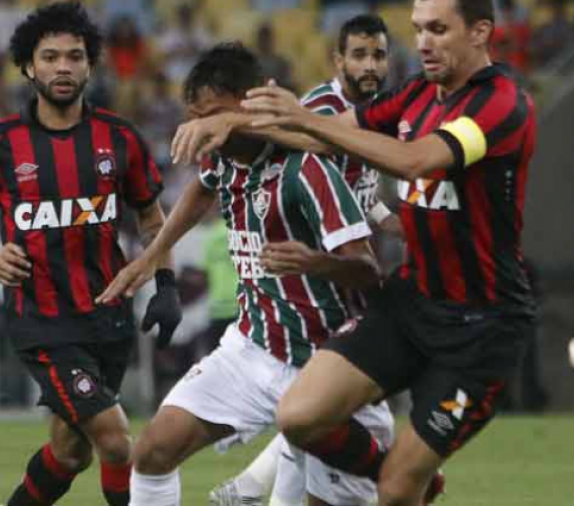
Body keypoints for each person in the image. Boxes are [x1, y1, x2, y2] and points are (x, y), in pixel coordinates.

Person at [170, 0, 537, 506]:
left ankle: (403, 481)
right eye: (418, 29)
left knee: (393, 490)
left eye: (438, 29)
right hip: (412, 301)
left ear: (480, 31)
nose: (423, 43)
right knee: (299, 416)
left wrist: (305, 120)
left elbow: (415, 161)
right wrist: (235, 123)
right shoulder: (415, 95)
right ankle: (406, 479)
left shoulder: (501, 103)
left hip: (480, 327)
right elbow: (331, 139)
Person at [96, 43, 389, 506]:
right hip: (251, 349)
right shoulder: (227, 158)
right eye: (195, 119)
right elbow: (199, 189)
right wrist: (153, 253)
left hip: (327, 366)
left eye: (212, 116)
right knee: (153, 451)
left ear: (250, 103)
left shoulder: (306, 169)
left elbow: (369, 272)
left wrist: (312, 262)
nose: (203, 131)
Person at [0, 1, 182, 506]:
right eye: (50, 57)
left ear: (90, 66)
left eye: (74, 57)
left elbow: (151, 218)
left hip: (108, 317)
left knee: (70, 452)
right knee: (117, 443)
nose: (62, 67)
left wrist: (166, 284)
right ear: (29, 67)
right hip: (43, 322)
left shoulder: (119, 138)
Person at [210, 14, 403, 506]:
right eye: (359, 54)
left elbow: (360, 184)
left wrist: (388, 218)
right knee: (342, 397)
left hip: (348, 262)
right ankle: (255, 485)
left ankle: (252, 488)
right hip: (316, 269)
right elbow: (256, 158)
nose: (370, 65)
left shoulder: (379, 111)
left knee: (329, 402)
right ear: (337, 60)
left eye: (378, 54)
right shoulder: (319, 108)